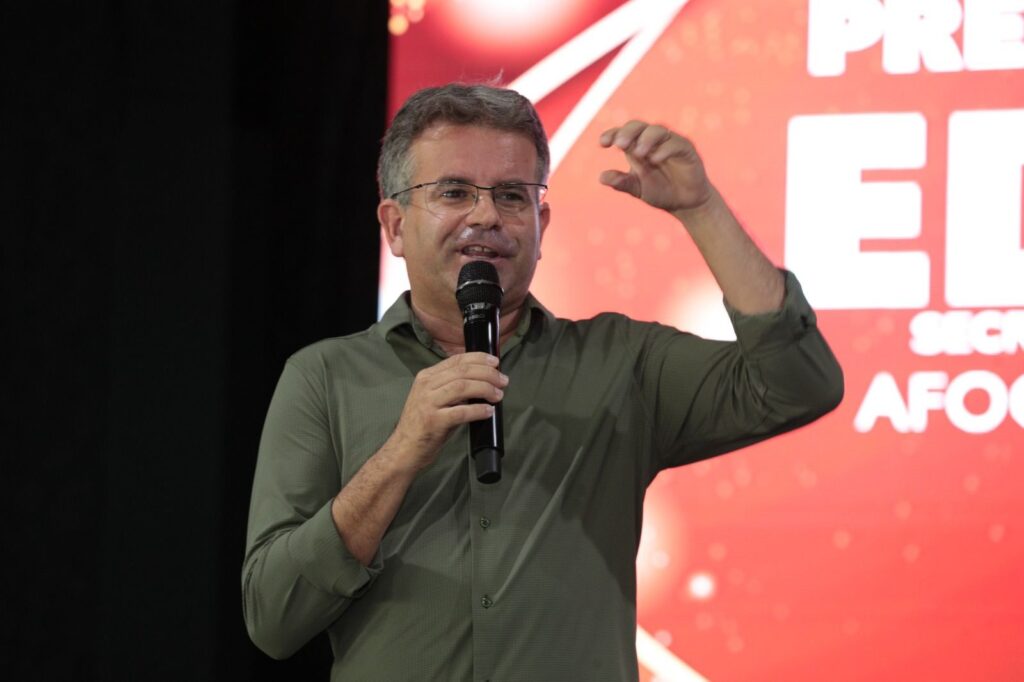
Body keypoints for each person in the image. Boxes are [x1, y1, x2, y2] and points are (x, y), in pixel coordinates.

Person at [243, 83, 843, 681]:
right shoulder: (324, 378)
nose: (486, 216)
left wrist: (701, 208)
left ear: (540, 223)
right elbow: (273, 618)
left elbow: (799, 382)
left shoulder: (621, 363)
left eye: (511, 196)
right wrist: (398, 456)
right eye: (454, 192)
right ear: (395, 226)